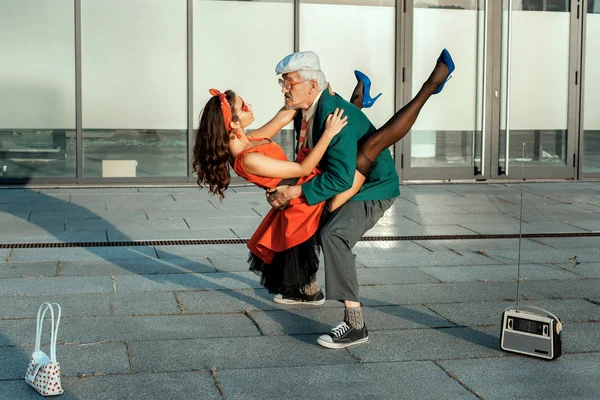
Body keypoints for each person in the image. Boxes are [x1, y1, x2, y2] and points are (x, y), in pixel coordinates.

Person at [265, 49, 454, 349]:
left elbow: (340, 178)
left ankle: (356, 325)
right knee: (300, 212)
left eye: (289, 82)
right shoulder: (311, 110)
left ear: (312, 86)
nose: (284, 89)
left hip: (373, 187)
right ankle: (308, 287)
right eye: (282, 83)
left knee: (334, 234)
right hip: (348, 176)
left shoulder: (330, 113)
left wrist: (295, 191)